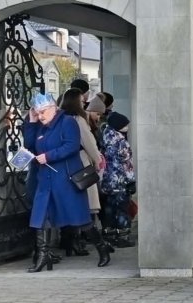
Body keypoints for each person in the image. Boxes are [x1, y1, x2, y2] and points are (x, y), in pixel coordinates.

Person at [23, 93, 93, 273]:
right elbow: (30, 145)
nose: (40, 116)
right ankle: (43, 255)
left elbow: (71, 146)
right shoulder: (40, 125)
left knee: (79, 218)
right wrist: (30, 122)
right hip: (46, 179)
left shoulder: (67, 122)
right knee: (40, 216)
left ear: (54, 108)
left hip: (65, 178)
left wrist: (49, 156)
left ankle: (101, 245)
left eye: (42, 112)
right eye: (37, 113)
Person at [60, 88, 111, 267]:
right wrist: (98, 160)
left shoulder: (60, 119)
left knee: (73, 208)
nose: (84, 104)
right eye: (82, 101)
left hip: (64, 167)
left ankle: (72, 243)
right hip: (79, 165)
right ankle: (99, 247)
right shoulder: (78, 120)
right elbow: (88, 141)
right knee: (85, 208)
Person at [100, 112, 136, 249]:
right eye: (125, 124)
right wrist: (131, 181)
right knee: (122, 209)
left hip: (108, 180)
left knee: (109, 209)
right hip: (120, 181)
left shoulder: (106, 137)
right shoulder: (121, 141)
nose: (127, 127)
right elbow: (126, 163)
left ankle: (109, 235)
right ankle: (123, 236)